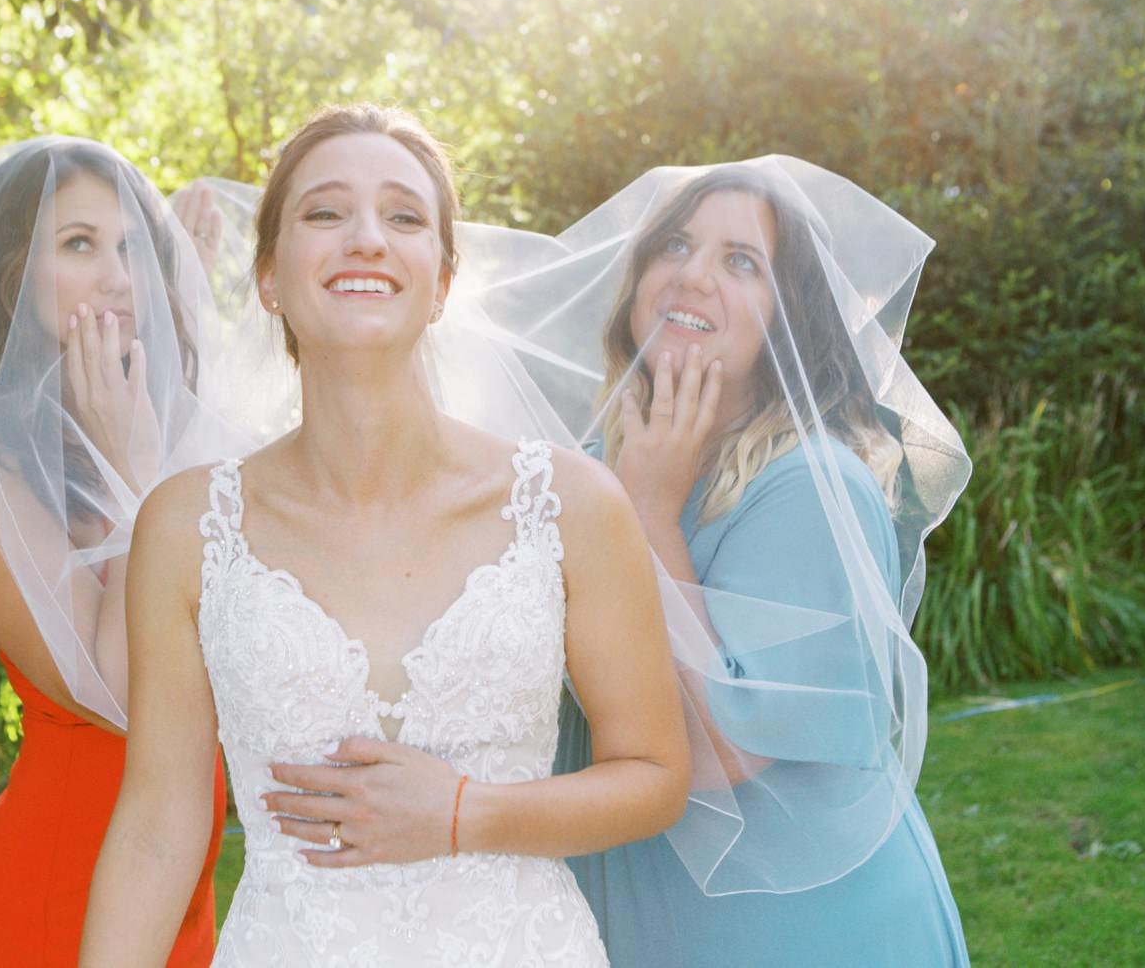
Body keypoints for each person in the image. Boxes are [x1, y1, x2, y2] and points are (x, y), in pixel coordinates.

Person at [82, 103, 692, 967]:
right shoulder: (185, 526)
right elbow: (157, 826)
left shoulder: (570, 503)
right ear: (268, 277)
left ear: (442, 281)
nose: (366, 237)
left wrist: (460, 813)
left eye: (403, 216)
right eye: (325, 212)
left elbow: (655, 775)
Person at [474, 158, 972, 965]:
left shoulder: (814, 482)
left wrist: (648, 513)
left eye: (741, 261)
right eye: (673, 245)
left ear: (789, 317)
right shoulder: (593, 459)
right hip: (637, 907)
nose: (692, 275)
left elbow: (712, 756)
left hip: (791, 926)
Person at [0, 137, 233, 967]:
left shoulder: (143, 428)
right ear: (12, 278)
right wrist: (138, 479)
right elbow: (128, 695)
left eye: (133, 247)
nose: (118, 278)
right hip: (66, 888)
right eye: (79, 244)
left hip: (182, 885)